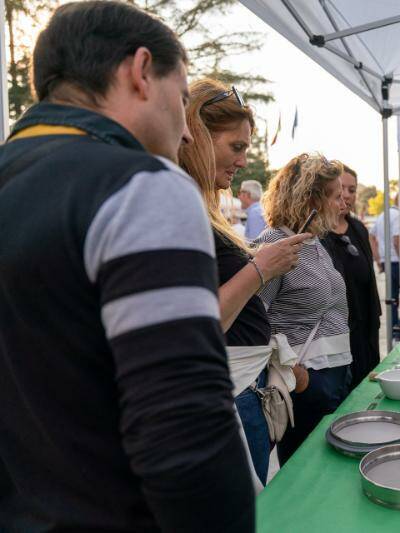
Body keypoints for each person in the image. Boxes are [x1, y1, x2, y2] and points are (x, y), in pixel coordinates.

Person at [0, 3, 254, 531]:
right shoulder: (140, 185)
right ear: (140, 72)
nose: (186, 133)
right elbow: (184, 431)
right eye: (183, 98)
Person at [178, 78, 309, 483]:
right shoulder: (180, 208)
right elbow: (198, 324)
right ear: (196, 136)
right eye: (235, 147)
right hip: (231, 394)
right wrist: (261, 267)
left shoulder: (201, 207)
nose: (242, 161)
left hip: (247, 388)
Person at [256, 153, 352, 465]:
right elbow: (253, 316)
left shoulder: (314, 242)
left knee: (329, 470)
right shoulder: (273, 243)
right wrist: (297, 376)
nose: (341, 204)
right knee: (304, 473)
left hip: (335, 372)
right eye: (335, 196)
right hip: (305, 380)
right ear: (310, 199)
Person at [324, 163, 381, 391]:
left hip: (365, 326)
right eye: (342, 190)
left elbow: (369, 279)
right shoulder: (319, 233)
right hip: (337, 333)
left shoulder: (358, 228)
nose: (347, 196)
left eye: (352, 190)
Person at [369, 194, 400, 331]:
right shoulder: (399, 215)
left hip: (387, 261)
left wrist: (378, 259)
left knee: (392, 299)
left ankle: (395, 327)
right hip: (398, 261)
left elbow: (371, 236)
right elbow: (397, 241)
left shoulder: (382, 215)